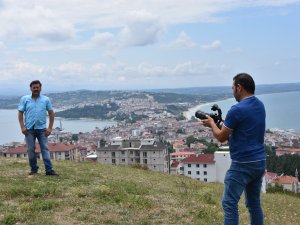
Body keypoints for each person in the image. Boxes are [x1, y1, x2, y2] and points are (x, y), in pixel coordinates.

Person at [201, 73, 266, 225]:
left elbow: (221, 137)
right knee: (253, 203)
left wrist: (211, 124)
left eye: (232, 88)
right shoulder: (260, 105)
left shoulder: (236, 109)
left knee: (229, 203)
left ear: (239, 87)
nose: (232, 92)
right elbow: (245, 130)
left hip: (243, 163)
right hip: (260, 161)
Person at [18, 80, 58, 176]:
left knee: (44, 149)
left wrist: (50, 128)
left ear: (40, 88)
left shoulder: (46, 100)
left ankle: (49, 170)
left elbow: (51, 113)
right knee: (30, 149)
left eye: (37, 87)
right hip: (29, 129)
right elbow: (20, 113)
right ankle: (34, 169)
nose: (36, 89)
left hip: (42, 129)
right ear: (30, 88)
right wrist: (22, 127)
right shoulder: (25, 99)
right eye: (34, 87)